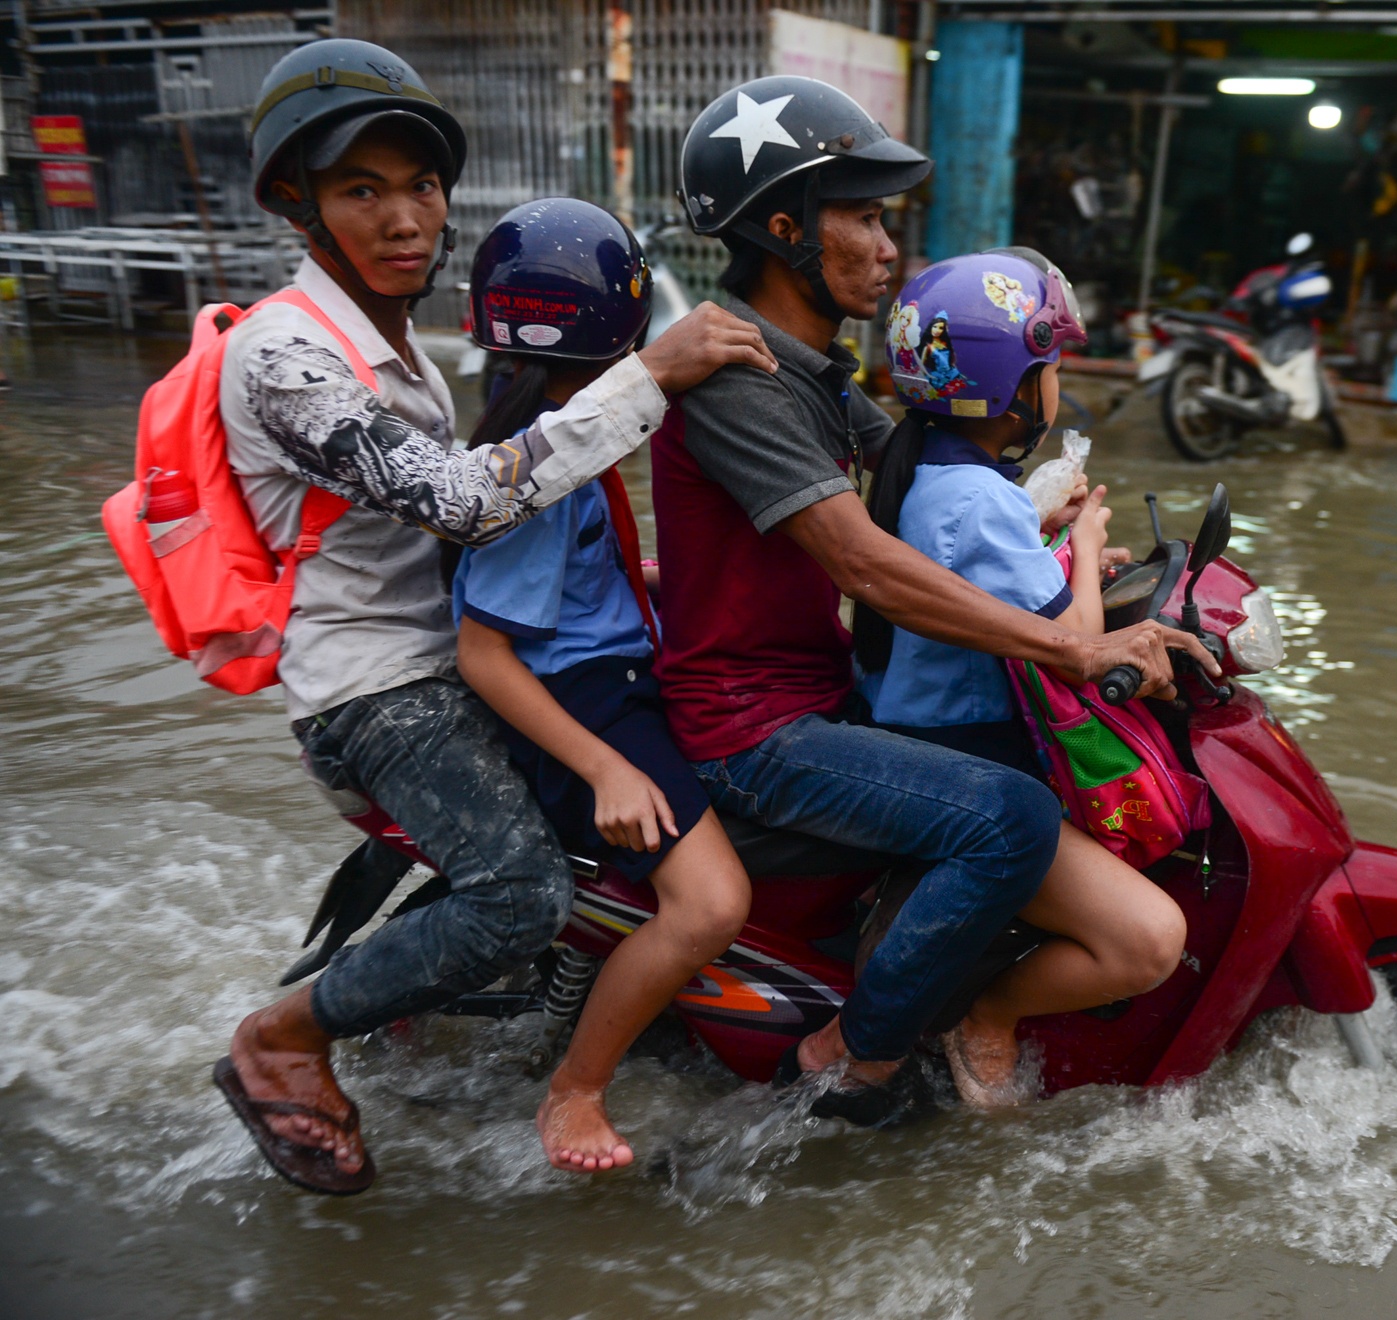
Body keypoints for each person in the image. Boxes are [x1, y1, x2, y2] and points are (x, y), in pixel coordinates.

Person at [213, 40, 772, 1195]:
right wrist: (652, 376)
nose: (405, 215)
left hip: (455, 663)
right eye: (361, 189)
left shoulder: (399, 345)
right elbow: (463, 502)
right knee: (524, 893)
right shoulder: (284, 351)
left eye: (419, 186)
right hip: (380, 690)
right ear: (295, 202)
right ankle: (282, 1036)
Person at [657, 76, 1215, 1123]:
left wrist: (1070, 538)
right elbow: (867, 564)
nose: (885, 247)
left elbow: (935, 473)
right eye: (862, 218)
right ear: (786, 229)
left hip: (820, 692)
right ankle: (858, 1052)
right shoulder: (739, 374)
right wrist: (1074, 650)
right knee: (1005, 812)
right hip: (755, 731)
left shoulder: (813, 370)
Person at [450, 199, 751, 1172]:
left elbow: (580, 585)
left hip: (618, 669)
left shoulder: (552, 443)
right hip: (589, 707)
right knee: (712, 905)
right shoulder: (546, 464)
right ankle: (576, 1089)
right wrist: (608, 771)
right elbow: (484, 652)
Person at [857, 250, 1186, 1105]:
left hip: (921, 736)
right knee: (1148, 938)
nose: (1054, 384)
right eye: (1047, 367)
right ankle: (991, 1011)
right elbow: (1074, 645)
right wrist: (1080, 551)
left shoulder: (926, 470)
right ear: (1008, 384)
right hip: (973, 765)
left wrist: (1055, 546)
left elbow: (993, 588)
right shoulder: (978, 500)